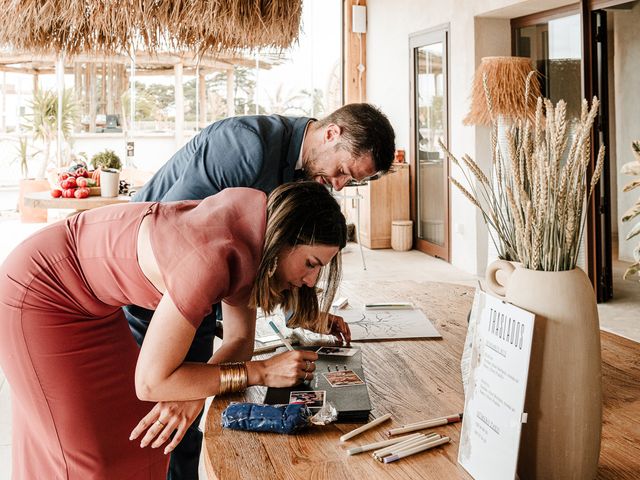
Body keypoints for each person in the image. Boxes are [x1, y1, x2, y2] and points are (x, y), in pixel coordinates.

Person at [0, 181, 348, 479]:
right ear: (282, 239)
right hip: (40, 293)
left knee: (142, 438)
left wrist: (194, 391)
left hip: (93, 306)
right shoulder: (208, 259)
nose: (311, 281)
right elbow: (151, 382)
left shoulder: (255, 232)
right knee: (88, 458)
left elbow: (240, 340)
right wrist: (260, 372)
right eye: (310, 264)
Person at [126, 102, 395, 478]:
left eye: (350, 181)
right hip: (155, 285)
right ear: (332, 134)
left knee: (195, 407)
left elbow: (278, 252)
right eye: (343, 172)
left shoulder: (311, 174)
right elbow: (180, 234)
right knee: (170, 411)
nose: (338, 185)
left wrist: (303, 313)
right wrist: (207, 382)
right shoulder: (245, 146)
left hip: (209, 284)